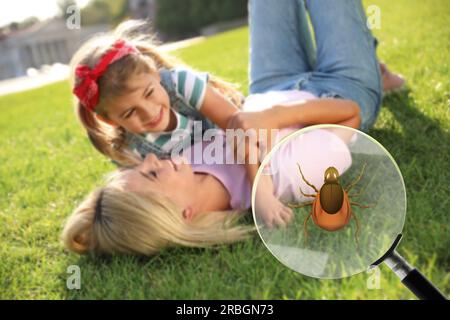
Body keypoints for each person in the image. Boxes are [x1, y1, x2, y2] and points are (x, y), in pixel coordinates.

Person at [62, 122, 353, 256]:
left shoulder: (186, 156)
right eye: (151, 174)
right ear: (184, 213)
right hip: (334, 87)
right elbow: (350, 119)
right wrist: (272, 116)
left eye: (139, 167)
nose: (151, 158)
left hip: (271, 80)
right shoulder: (286, 180)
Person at [70, 20, 245, 168]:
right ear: (110, 121)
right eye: (129, 112)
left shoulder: (181, 84)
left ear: (155, 72)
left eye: (148, 93)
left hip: (238, 143)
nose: (149, 112)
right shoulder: (129, 151)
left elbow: (239, 127)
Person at [248, 0, 404, 133]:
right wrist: (275, 115)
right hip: (338, 94)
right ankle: (370, 69)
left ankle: (369, 67)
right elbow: (350, 111)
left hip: (268, 92)